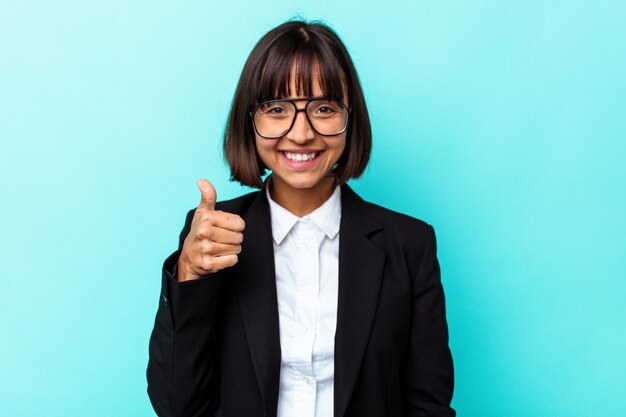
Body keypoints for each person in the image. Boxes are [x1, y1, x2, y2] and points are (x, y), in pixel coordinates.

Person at [147, 19, 455, 417]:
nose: (302, 133)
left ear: (351, 119)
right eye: (277, 109)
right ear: (250, 122)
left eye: (324, 108)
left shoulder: (409, 245)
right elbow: (177, 406)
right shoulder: (212, 237)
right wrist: (188, 273)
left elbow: (427, 403)